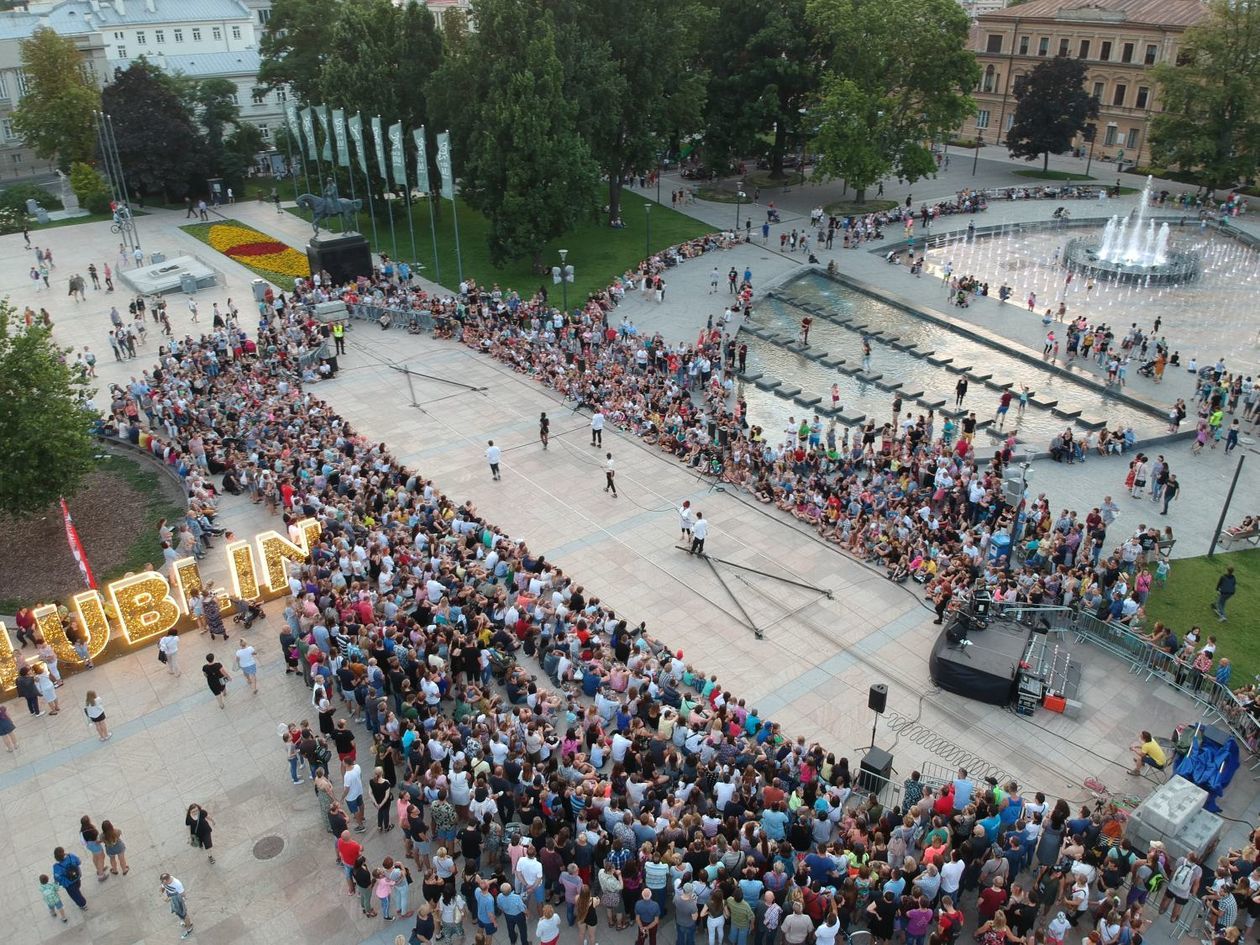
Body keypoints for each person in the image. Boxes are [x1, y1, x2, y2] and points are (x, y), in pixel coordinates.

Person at [161, 873, 194, 938]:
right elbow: (162, 887)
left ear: (168, 880)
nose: (163, 883)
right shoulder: (165, 881)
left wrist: (170, 898)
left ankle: (189, 928)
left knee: (184, 915)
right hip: (174, 900)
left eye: (165, 882)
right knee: (178, 912)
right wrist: (162, 893)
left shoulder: (177, 884)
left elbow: (183, 894)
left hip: (179, 901)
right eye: (163, 882)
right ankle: (184, 921)